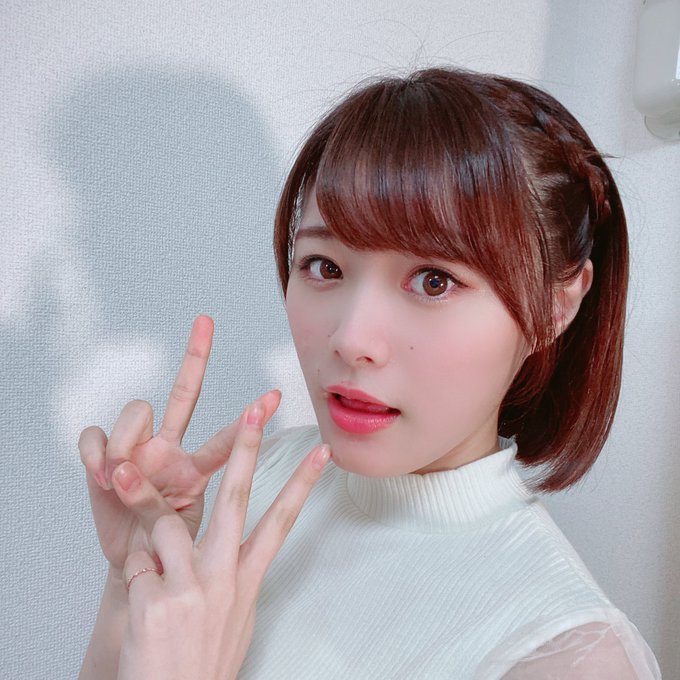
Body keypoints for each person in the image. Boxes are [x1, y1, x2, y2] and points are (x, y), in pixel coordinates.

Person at [78, 66, 663, 679]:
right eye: (325, 267)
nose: (352, 339)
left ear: (554, 307)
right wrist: (132, 580)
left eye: (434, 281)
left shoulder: (568, 658)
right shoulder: (265, 480)